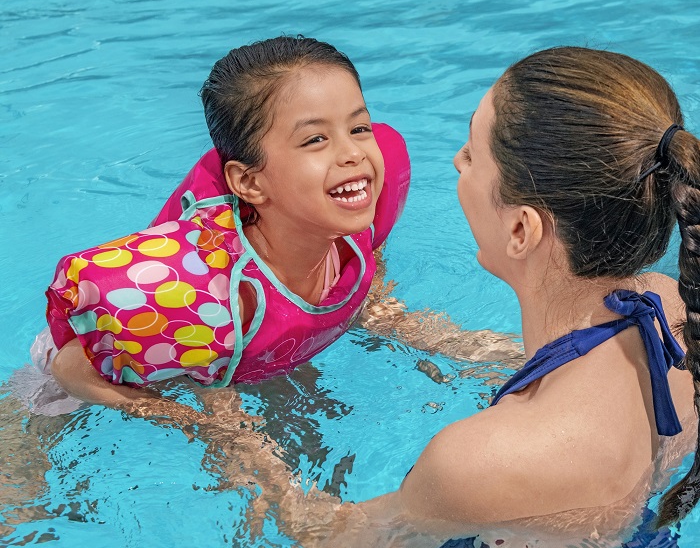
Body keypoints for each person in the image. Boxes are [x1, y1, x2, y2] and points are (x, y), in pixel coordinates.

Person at [216, 47, 699, 548]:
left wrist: (219, 417)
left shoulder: (476, 461)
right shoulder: (671, 310)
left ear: (521, 229)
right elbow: (568, 372)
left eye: (473, 154)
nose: (455, 162)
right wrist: (397, 322)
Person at [39, 36, 521, 419]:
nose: (353, 153)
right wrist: (181, 417)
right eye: (315, 139)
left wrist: (499, 356)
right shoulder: (212, 292)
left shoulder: (353, 197)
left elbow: (366, 284)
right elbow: (68, 367)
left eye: (358, 127)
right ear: (248, 182)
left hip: (253, 339)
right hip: (118, 357)